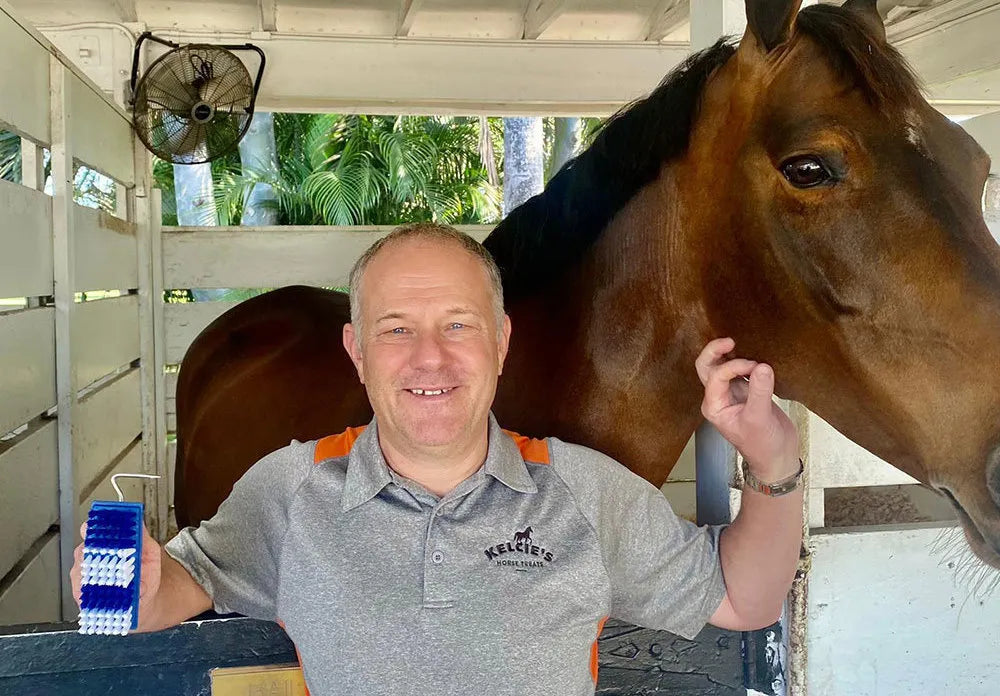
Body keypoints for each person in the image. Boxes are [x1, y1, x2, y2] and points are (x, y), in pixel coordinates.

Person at [71, 223, 803, 696]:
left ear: (501, 342)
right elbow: (183, 588)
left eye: (459, 324)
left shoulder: (583, 491)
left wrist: (775, 458)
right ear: (357, 352)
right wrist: (127, 590)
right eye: (396, 329)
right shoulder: (291, 491)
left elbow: (748, 599)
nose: (431, 357)